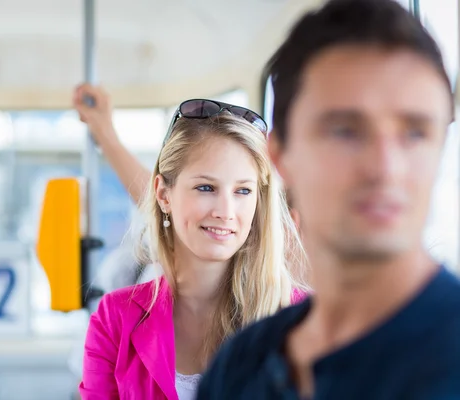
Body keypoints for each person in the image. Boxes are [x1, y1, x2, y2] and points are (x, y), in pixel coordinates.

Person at [196, 0, 460, 398]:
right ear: (280, 155)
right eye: (345, 131)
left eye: (415, 133)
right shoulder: (239, 368)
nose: (386, 168)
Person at [78, 98, 307, 399]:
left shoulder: (303, 320)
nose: (225, 211)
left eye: (242, 191)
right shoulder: (114, 320)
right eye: (206, 188)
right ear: (163, 194)